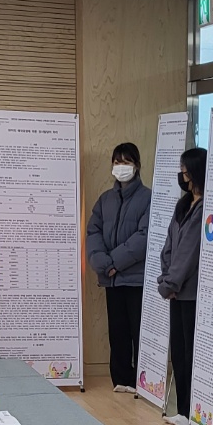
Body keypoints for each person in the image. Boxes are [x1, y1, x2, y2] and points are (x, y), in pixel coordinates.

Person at [86, 142, 152, 392]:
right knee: (118, 332)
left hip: (136, 279)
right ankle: (122, 379)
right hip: (111, 280)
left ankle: (142, 381)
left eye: (126, 162)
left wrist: (114, 262)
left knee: (139, 331)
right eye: (116, 162)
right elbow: (93, 232)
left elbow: (144, 236)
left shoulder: (148, 198)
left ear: (137, 165)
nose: (121, 167)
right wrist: (103, 264)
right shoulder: (105, 199)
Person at [158, 147, 207, 425]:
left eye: (186, 171)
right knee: (177, 351)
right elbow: (169, 246)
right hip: (175, 291)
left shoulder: (204, 209)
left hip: (189, 293)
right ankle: (182, 408)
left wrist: (171, 283)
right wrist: (166, 280)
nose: (182, 176)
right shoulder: (183, 204)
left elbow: (189, 252)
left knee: (190, 353)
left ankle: (191, 411)